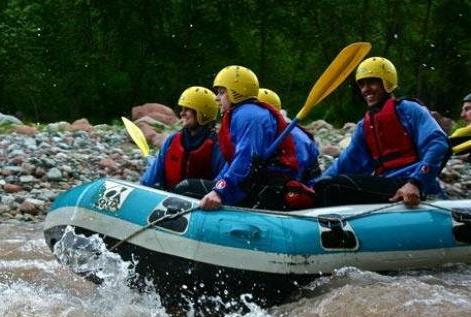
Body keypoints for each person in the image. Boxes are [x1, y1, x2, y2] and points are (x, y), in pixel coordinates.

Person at [314, 57, 450, 208]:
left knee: (332, 187)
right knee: (324, 185)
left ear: (387, 83)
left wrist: (416, 182)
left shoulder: (410, 110)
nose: (366, 89)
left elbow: (438, 145)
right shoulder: (364, 126)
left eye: (372, 82)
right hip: (387, 185)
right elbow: (346, 162)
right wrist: (315, 185)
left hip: (414, 182)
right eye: (362, 84)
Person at [199, 65, 320, 211]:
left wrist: (219, 191)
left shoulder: (248, 116)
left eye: (221, 92)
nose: (217, 98)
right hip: (255, 183)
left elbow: (246, 158)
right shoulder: (241, 114)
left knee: (186, 188)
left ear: (234, 92)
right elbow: (236, 162)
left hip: (267, 188)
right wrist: (218, 185)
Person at [140, 86, 225, 194]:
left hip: (200, 205)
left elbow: (224, 182)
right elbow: (149, 178)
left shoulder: (217, 146)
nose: (182, 113)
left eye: (187, 110)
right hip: (168, 200)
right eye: (182, 109)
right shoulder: (172, 140)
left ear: (202, 113)